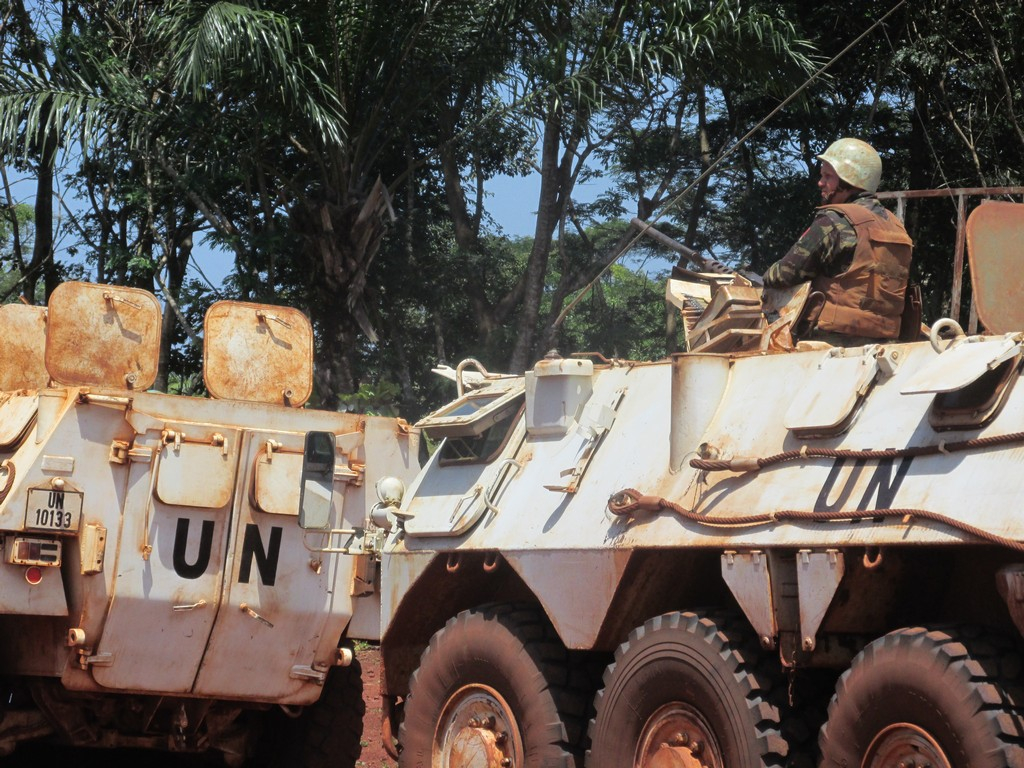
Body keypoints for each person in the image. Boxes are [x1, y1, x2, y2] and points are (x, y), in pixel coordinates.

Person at [763, 137, 913, 342]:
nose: (820, 183)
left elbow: (785, 274)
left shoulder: (835, 220)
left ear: (850, 179)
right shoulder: (896, 227)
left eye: (828, 176)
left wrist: (765, 276)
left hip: (831, 341)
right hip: (884, 343)